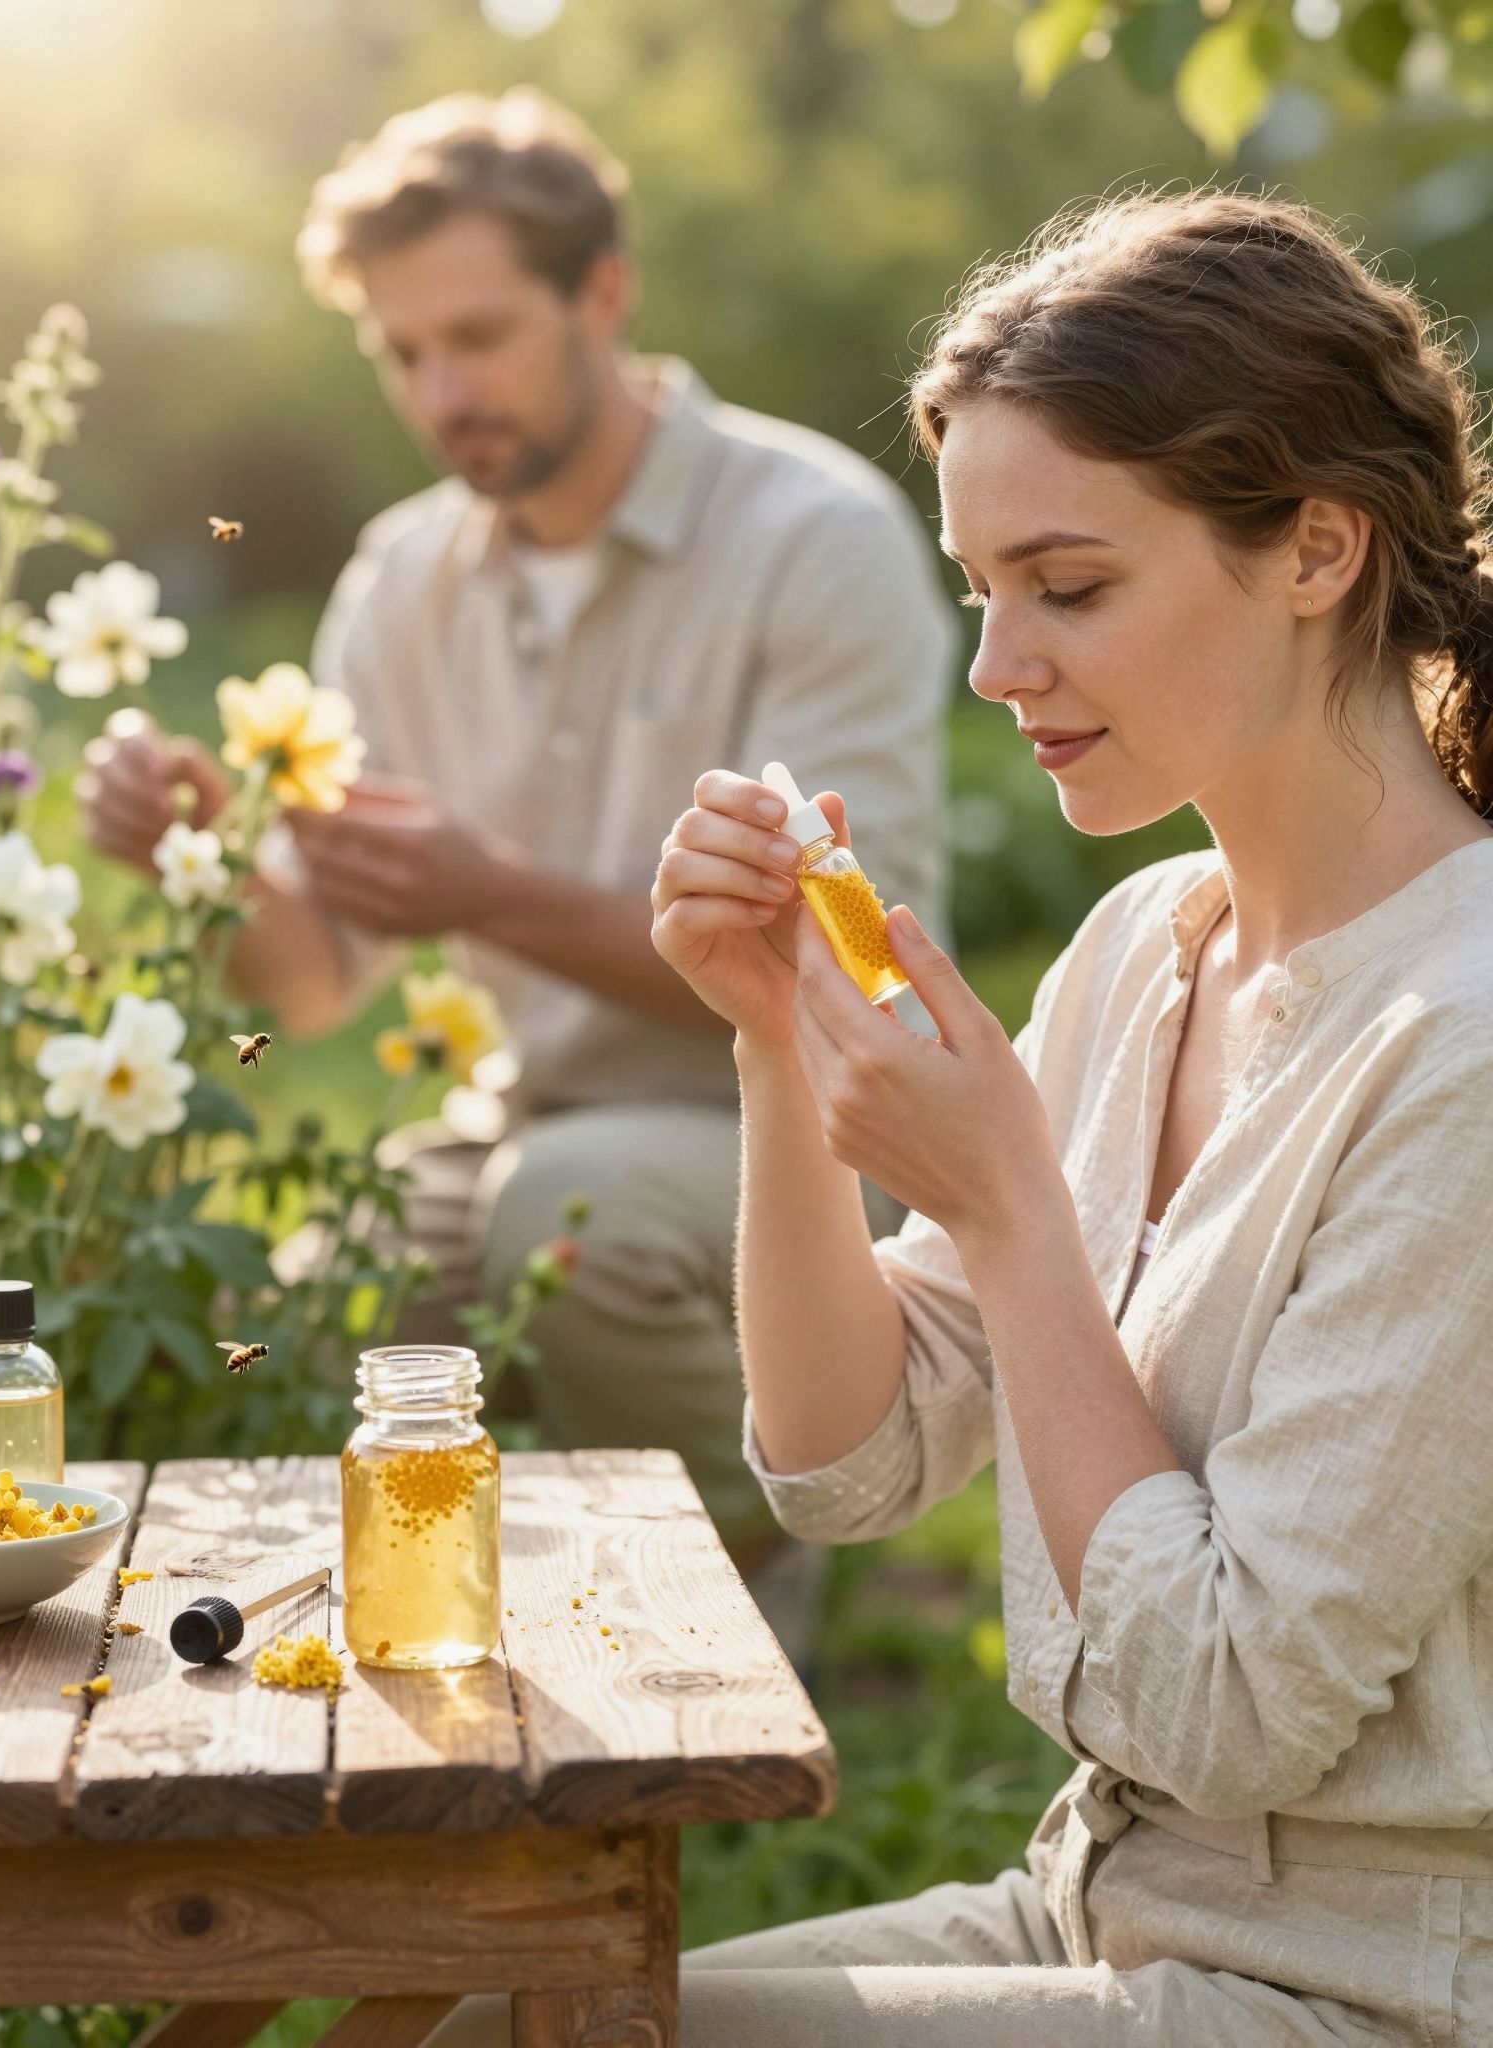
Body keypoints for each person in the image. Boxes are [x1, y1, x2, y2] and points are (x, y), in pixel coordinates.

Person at [427, 183, 1493, 2043]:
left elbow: (1228, 1711)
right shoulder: (1149, 946)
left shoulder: (1460, 1044)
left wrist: (1010, 1217)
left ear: (1319, 545)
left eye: (1070, 588)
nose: (997, 669)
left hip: (1372, 1991)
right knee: (501, 2026)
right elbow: (847, 1462)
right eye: (981, 591)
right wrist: (773, 1036)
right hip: (1102, 1904)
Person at [75, 88, 959, 1616]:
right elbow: (317, 982)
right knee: (313, 1311)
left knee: (570, 1213)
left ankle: (763, 1583)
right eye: (404, 353)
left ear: (600, 291)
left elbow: (856, 973)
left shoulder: (817, 534)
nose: (439, 388)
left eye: (477, 336)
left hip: (802, 1131)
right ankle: (520, 1585)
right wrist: (197, 863)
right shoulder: (399, 579)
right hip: (526, 1127)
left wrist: (492, 893)